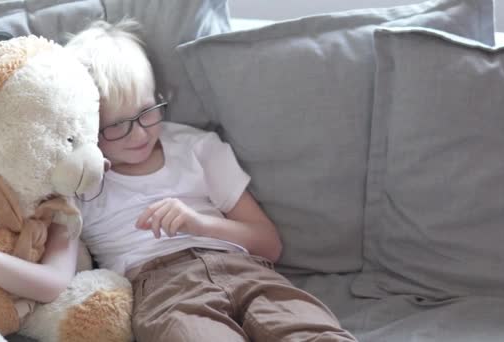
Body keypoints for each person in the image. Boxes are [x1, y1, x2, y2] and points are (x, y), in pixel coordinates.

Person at [66, 19, 357, 342]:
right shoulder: (79, 181)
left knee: (317, 334)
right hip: (163, 288)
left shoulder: (196, 147)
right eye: (117, 125)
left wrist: (199, 225)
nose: (139, 133)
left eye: (147, 111)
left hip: (245, 269)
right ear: (87, 127)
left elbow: (269, 244)